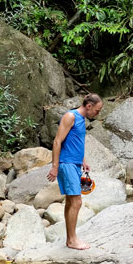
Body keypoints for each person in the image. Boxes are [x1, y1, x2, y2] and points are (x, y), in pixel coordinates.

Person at [46, 93, 104, 250]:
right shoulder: (70, 116)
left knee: (71, 201)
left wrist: (83, 161)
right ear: (89, 106)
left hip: (75, 163)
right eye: (97, 111)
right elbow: (57, 141)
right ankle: (72, 240)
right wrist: (55, 166)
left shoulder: (81, 119)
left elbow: (75, 142)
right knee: (77, 201)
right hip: (67, 164)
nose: (97, 114)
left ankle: (70, 239)